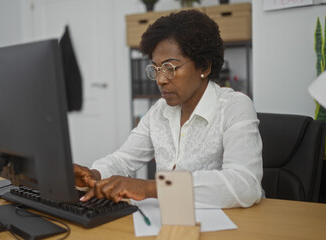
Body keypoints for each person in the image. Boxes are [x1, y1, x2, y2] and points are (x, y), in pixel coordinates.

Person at [74, 9, 263, 208]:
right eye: (156, 69)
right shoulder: (158, 112)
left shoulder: (235, 107)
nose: (160, 80)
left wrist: (150, 188)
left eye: (170, 68)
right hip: (172, 222)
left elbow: (245, 185)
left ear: (205, 67)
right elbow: (124, 159)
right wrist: (93, 175)